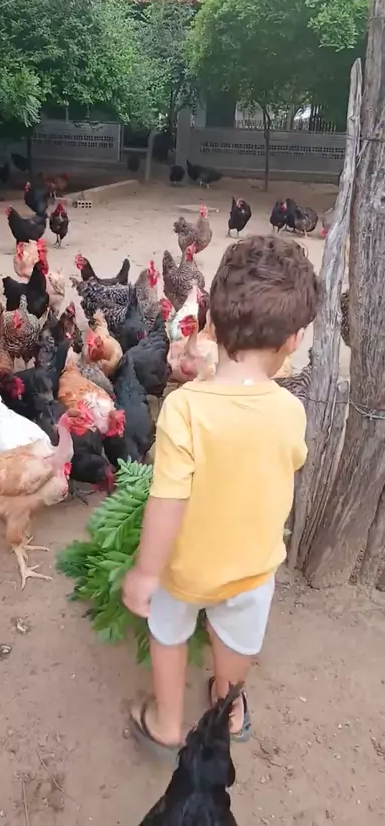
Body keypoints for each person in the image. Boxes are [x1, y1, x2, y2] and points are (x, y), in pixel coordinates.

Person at [123, 235, 320, 757]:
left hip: (185, 569)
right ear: (294, 340)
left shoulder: (186, 408)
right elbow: (287, 466)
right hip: (252, 567)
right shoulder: (291, 411)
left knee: (169, 633)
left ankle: (167, 724)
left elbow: (167, 500)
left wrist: (146, 572)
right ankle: (227, 709)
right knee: (236, 642)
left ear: (213, 319)